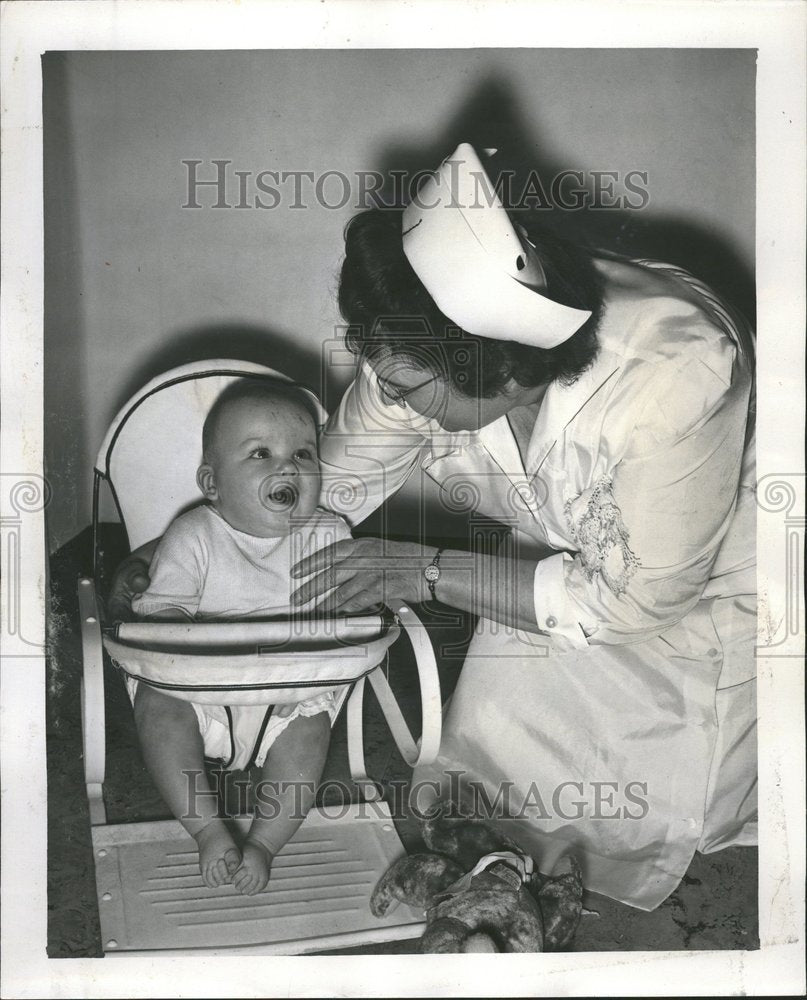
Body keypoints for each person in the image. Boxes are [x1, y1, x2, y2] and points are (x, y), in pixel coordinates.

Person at [113, 143, 756, 910]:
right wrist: (190, 542)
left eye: (406, 385)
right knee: (504, 766)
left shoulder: (677, 378)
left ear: (504, 374)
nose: (384, 393)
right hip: (563, 571)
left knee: (645, 805)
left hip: (698, 587)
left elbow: (636, 599)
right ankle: (506, 862)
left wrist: (419, 570)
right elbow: (338, 481)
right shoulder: (432, 333)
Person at [126, 378, 350, 894]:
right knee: (159, 711)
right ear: (213, 482)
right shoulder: (194, 536)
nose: (287, 467)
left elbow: (346, 605)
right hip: (200, 693)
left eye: (302, 453)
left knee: (309, 733)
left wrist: (343, 618)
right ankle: (206, 829)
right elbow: (161, 616)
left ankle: (265, 842)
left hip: (289, 694)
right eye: (260, 454)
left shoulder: (330, 535)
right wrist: (179, 634)